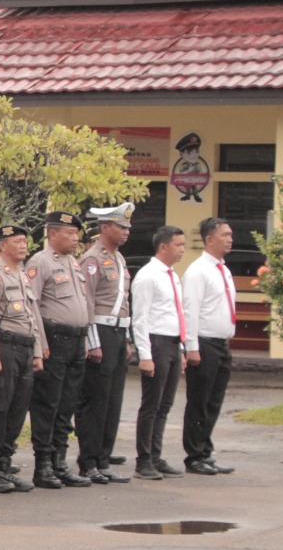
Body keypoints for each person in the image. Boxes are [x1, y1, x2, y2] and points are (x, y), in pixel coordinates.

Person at [0, 225, 45, 493]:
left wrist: (37, 351)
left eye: (25, 241)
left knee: (17, 410)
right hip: (4, 348)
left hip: (24, 349)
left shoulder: (22, 276)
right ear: (2, 246)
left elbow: (30, 317)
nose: (24, 245)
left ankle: (4, 465)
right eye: (17, 241)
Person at [26, 210, 92, 489]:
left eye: (77, 233)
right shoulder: (40, 262)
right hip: (54, 339)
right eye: (70, 233)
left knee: (67, 404)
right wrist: (39, 345)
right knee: (48, 403)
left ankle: (60, 461)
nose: (76, 238)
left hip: (76, 340)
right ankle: (43, 465)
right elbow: (32, 306)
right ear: (53, 234)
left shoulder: (73, 263)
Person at [77, 202, 135, 484]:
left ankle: (103, 458)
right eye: (121, 227)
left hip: (118, 332)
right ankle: (88, 461)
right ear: (104, 228)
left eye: (127, 227)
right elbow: (87, 301)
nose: (126, 232)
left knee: (113, 400)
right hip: (99, 331)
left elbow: (123, 302)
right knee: (96, 400)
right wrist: (92, 342)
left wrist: (127, 338)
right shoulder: (93, 259)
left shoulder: (119, 259)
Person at [131, 225, 189, 479]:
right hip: (155, 342)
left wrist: (182, 348)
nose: (182, 250)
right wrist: (145, 355)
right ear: (163, 246)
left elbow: (177, 313)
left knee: (165, 404)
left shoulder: (172, 275)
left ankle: (156, 455)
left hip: (173, 342)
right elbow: (140, 318)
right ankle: (143, 460)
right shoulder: (148, 275)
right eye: (178, 245)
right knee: (151, 404)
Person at [182, 217, 239, 475]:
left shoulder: (222, 268)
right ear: (209, 239)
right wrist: (191, 346)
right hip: (204, 343)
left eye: (230, 234)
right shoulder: (198, 271)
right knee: (199, 401)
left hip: (221, 344)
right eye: (224, 234)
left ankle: (205, 450)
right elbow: (190, 310)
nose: (230, 238)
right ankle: (194, 455)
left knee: (214, 401)